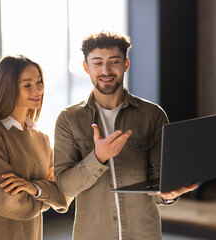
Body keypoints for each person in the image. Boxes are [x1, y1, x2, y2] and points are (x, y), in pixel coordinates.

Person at [53, 31, 198, 240]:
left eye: (114, 62)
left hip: (143, 234)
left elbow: (159, 181)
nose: (106, 70)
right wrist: (98, 157)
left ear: (126, 64)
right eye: (97, 63)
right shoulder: (68, 119)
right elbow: (65, 186)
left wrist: (167, 195)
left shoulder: (153, 115)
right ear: (86, 67)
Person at [0, 55, 69, 240]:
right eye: (27, 85)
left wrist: (33, 188)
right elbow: (7, 201)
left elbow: (63, 195)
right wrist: (45, 194)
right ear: (8, 89)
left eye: (39, 81)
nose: (37, 90)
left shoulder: (41, 139)